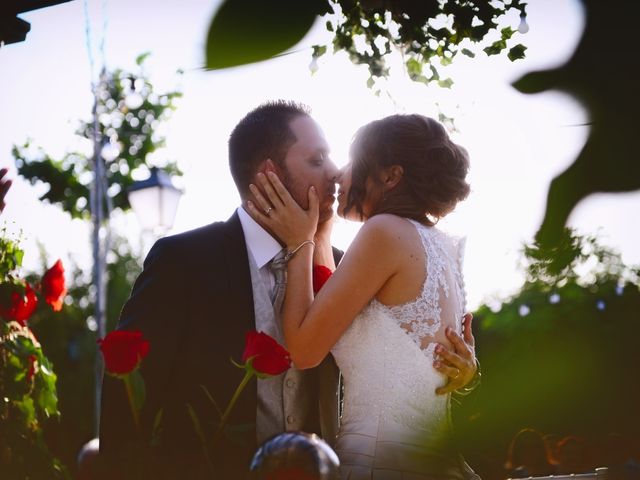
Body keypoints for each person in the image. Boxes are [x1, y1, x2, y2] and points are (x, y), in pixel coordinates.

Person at [99, 102, 478, 478]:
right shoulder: (185, 260)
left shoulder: (354, 260)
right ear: (269, 174)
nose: (335, 172)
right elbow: (128, 391)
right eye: (317, 160)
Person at [247, 113, 479, 479]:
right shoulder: (440, 245)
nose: (339, 173)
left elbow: (305, 351)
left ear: (391, 176)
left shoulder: (383, 233)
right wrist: (321, 232)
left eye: (354, 160)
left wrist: (298, 243)